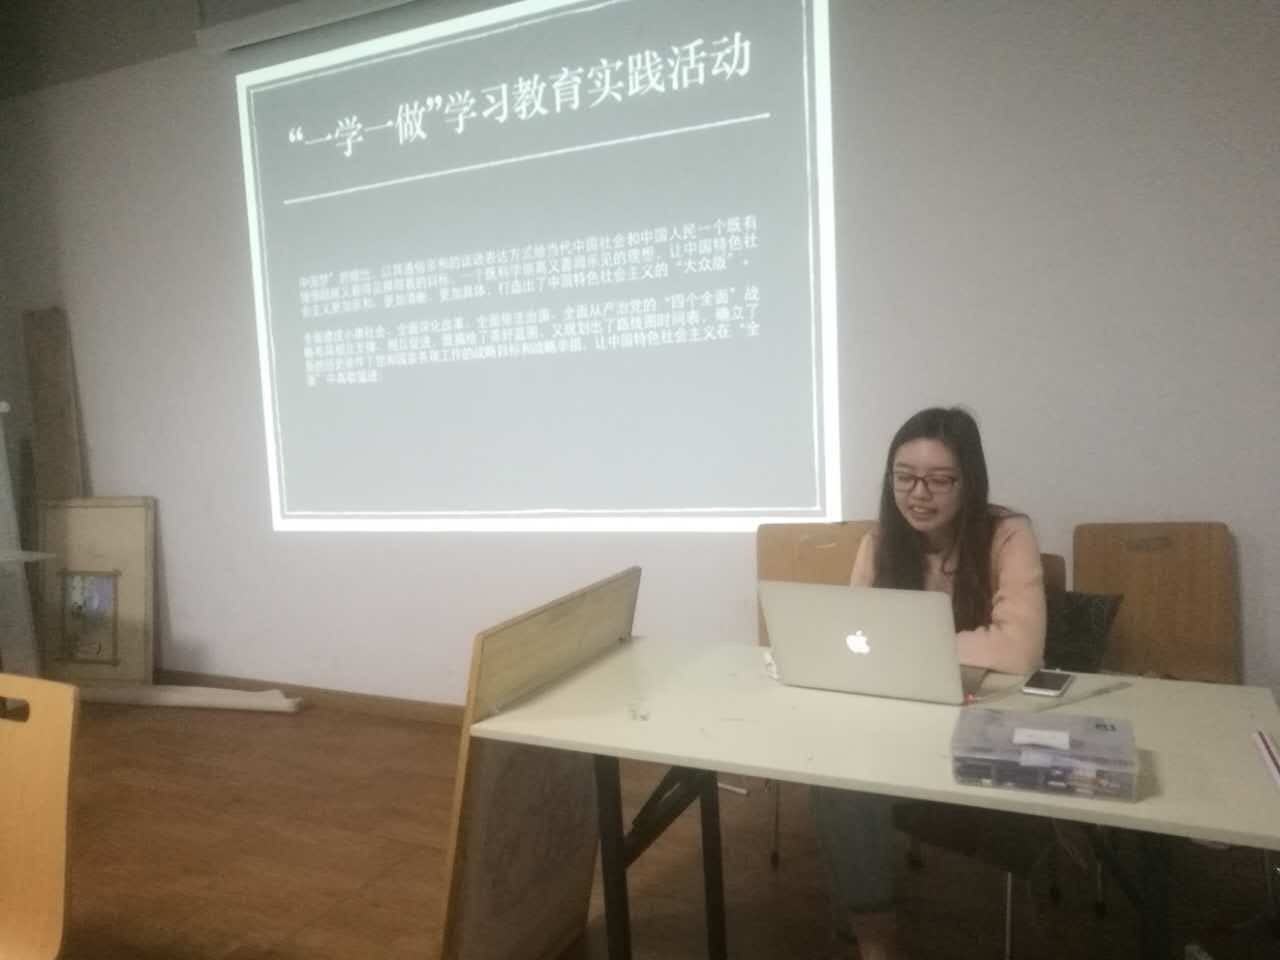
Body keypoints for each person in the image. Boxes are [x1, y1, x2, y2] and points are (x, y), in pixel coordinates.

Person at [814, 406, 1046, 960]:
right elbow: (857, 637)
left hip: (985, 717)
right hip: (900, 717)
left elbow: (1019, 651)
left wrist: (905, 644)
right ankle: (876, 938)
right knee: (835, 775)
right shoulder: (879, 542)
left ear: (970, 481)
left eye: (939, 480)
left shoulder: (1008, 535)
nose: (918, 494)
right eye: (904, 478)